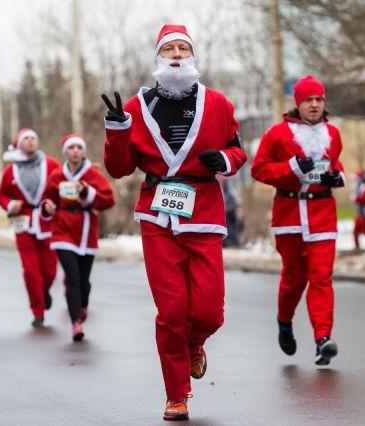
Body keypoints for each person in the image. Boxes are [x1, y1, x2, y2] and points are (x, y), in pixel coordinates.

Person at [102, 24, 247, 421]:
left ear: (193, 57)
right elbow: (118, 169)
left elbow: (237, 150)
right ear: (158, 59)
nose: (178, 54)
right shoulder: (134, 107)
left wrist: (227, 161)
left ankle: (195, 343)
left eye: (184, 48)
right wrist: (116, 131)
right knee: (171, 311)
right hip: (157, 216)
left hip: (204, 213)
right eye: (170, 49)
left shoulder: (217, 103)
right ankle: (176, 394)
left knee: (208, 312)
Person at [251, 74, 345, 366]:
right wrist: (292, 167)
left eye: (318, 99)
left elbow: (335, 163)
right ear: (298, 103)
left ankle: (322, 339)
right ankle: (284, 322)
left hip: (322, 217)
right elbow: (259, 169)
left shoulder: (333, 134)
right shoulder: (278, 134)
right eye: (308, 100)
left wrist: (335, 177)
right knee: (294, 279)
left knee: (320, 277)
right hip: (289, 216)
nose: (314, 105)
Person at [42, 133, 115, 341]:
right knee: (72, 278)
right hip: (62, 230)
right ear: (66, 151)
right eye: (71, 147)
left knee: (83, 280)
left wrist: (87, 193)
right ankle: (75, 324)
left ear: (83, 151)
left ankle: (83, 306)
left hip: (86, 232)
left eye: (78, 147)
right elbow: (47, 199)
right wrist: (47, 208)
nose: (75, 151)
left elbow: (108, 200)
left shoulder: (92, 175)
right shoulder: (57, 175)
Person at [0, 128, 61, 327]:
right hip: (22, 223)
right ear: (19, 144)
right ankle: (38, 311)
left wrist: (55, 206)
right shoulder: (11, 170)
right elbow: (0, 195)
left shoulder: (51, 164)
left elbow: (62, 187)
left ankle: (43, 292)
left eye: (34, 138)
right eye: (26, 139)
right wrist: (9, 205)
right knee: (31, 270)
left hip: (47, 222)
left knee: (50, 270)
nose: (31, 141)